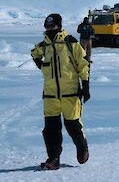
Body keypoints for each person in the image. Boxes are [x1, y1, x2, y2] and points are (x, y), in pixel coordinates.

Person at [31, 13, 91, 170]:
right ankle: (53, 158)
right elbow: (34, 53)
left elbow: (83, 64)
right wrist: (41, 65)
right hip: (50, 95)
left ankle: (82, 147)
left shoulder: (70, 43)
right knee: (50, 129)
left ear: (59, 26)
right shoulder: (44, 45)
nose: (50, 29)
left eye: (53, 26)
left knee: (73, 125)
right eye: (47, 26)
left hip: (70, 94)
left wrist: (85, 85)